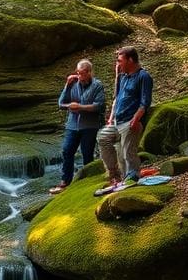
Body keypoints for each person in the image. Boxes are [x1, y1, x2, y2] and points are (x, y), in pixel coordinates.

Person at [95, 46, 153, 195]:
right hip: (117, 121)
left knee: (128, 153)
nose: (118, 64)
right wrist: (111, 117)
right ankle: (115, 175)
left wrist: (136, 118)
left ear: (131, 60)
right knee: (103, 138)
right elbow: (117, 98)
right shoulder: (123, 77)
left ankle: (132, 177)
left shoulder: (143, 76)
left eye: (120, 61)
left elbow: (145, 102)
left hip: (131, 121)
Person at [50, 59, 105, 193]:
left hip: (90, 126)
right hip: (72, 125)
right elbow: (61, 103)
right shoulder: (73, 84)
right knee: (67, 151)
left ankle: (87, 180)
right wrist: (67, 85)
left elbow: (100, 106)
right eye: (77, 73)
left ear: (89, 72)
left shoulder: (97, 85)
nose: (79, 76)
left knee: (87, 153)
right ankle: (66, 181)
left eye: (82, 73)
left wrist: (80, 107)